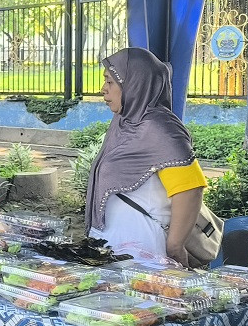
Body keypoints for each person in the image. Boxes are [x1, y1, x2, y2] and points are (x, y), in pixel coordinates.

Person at [85, 47, 207, 266]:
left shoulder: (161, 128)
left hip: (145, 248)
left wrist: (175, 246)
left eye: (110, 82)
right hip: (111, 243)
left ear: (134, 84)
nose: (103, 89)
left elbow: (190, 189)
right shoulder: (124, 122)